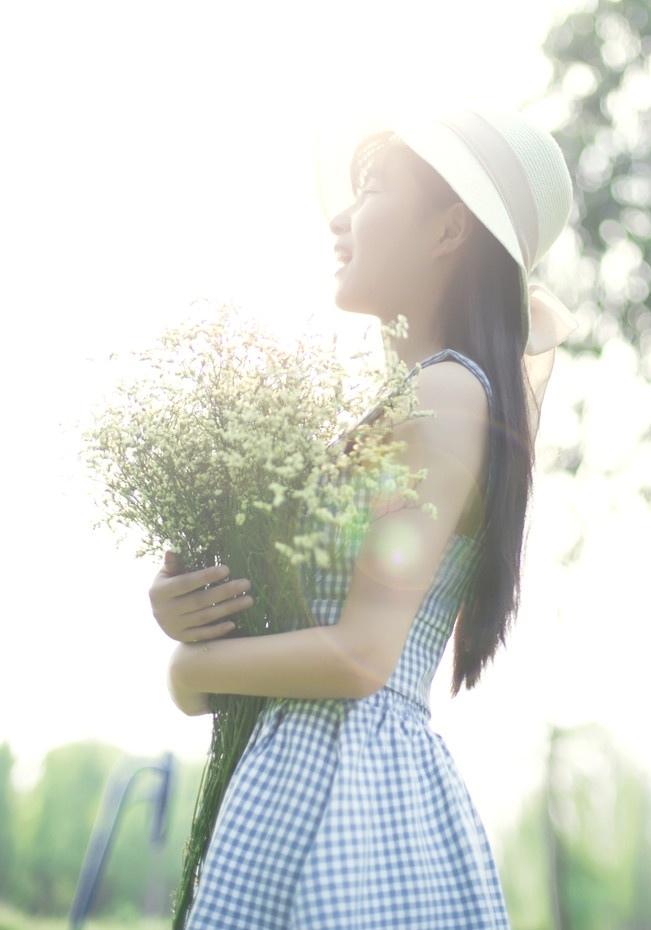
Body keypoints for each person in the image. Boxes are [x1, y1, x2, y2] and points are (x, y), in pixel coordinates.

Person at [149, 106, 577, 929]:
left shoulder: (446, 394)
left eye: (373, 189)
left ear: (448, 230)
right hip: (311, 775)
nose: (341, 218)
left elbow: (359, 655)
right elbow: (317, 626)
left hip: (344, 793)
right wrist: (199, 603)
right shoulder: (414, 401)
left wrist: (190, 670)